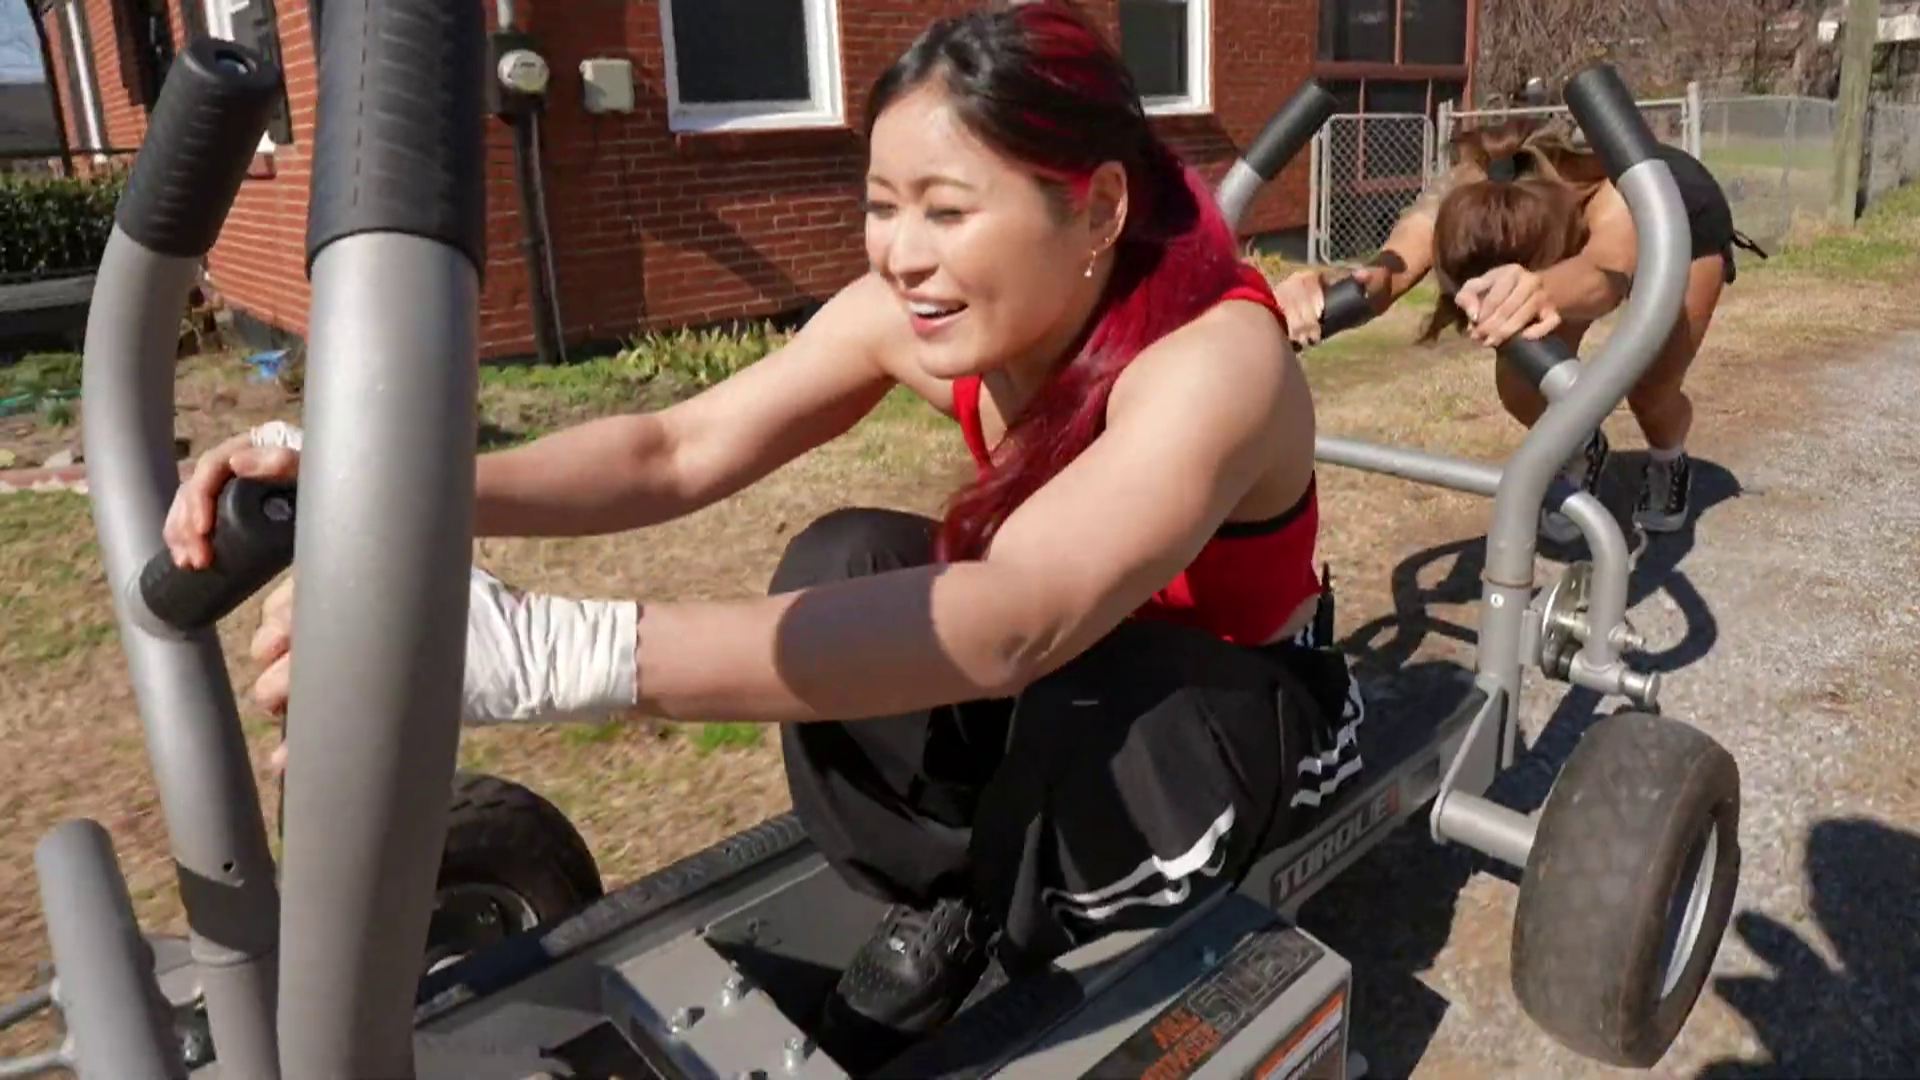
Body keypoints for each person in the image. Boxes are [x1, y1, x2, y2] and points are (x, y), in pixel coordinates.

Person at [161, 0, 1366, 1065]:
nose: (902, 255)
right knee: (841, 562)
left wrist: (554, 656)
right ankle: (956, 895)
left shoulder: (1217, 361)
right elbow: (675, 448)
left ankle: (1061, 936)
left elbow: (1017, 620)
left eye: (948, 211)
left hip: (1228, 714)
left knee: (1068, 684)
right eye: (882, 207)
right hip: (1066, 676)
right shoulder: (921, 318)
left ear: (1096, 208)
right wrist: (389, 489)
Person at [1273, 117, 1763, 542]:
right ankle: (1582, 445)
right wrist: (1322, 293)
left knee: (1651, 389)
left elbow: (1605, 275)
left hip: (1683, 224)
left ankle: (1668, 461)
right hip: (1566, 244)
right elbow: (1387, 274)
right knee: (1522, 380)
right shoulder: (1470, 186)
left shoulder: (1608, 191)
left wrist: (1542, 289)